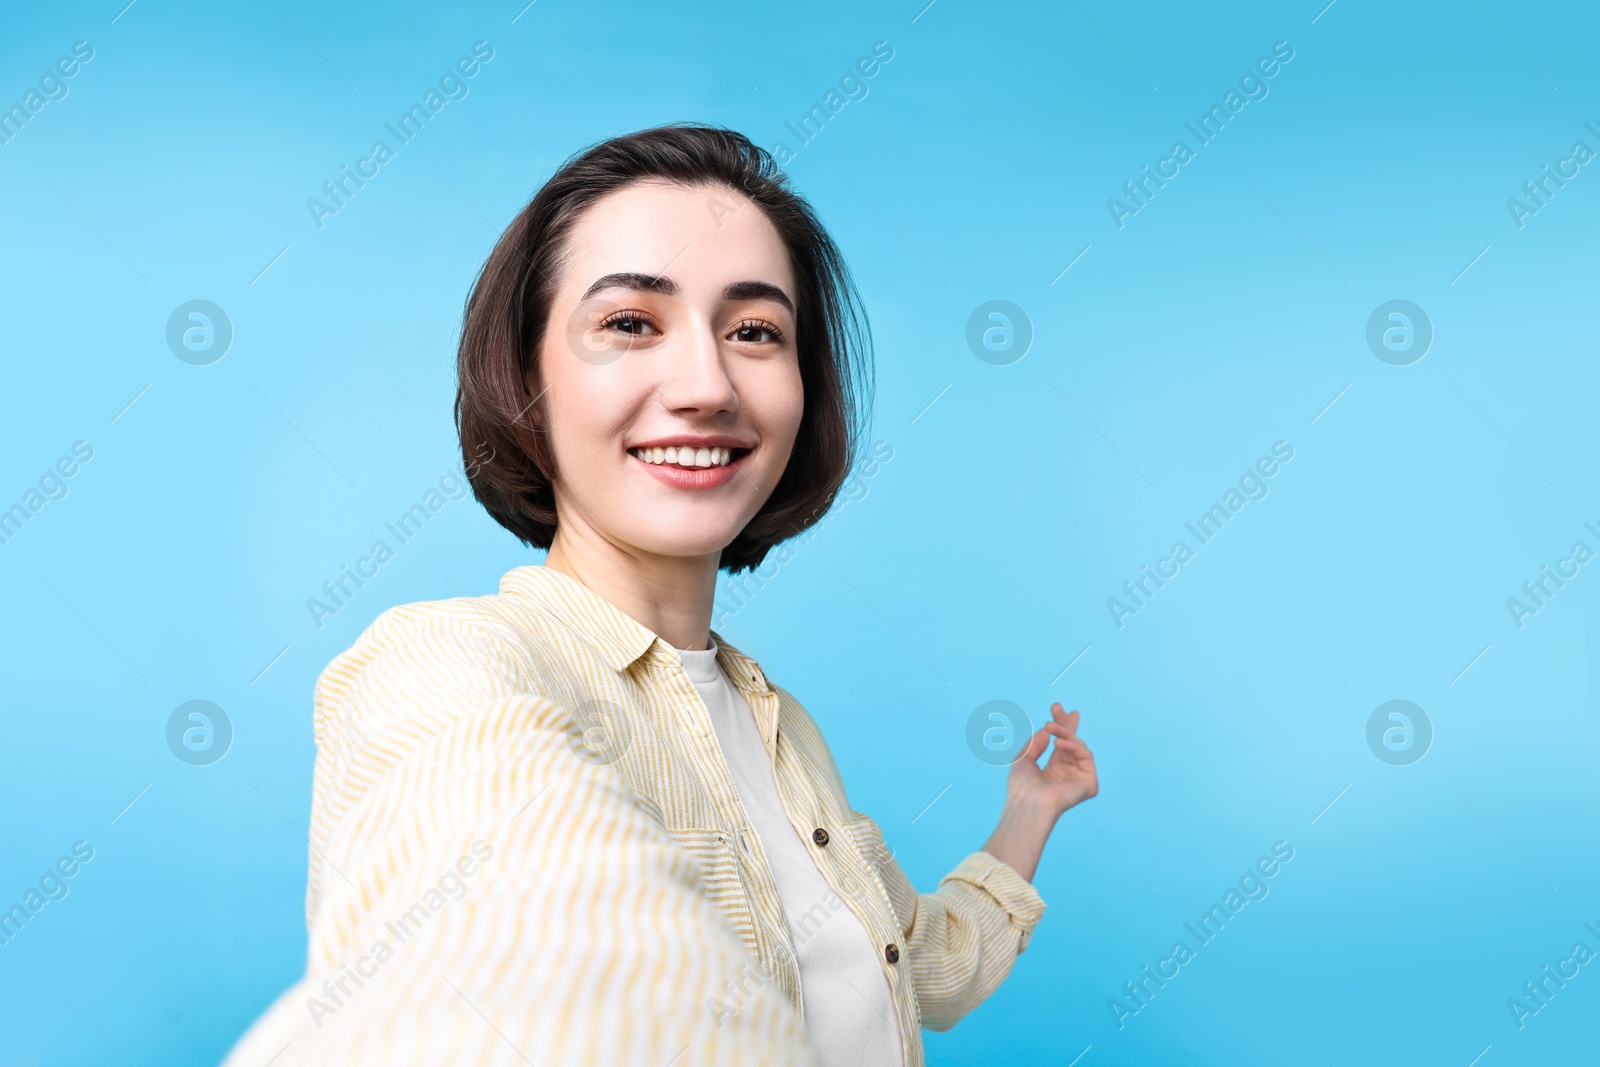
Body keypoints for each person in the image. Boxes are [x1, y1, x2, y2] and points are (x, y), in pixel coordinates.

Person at [223, 123, 1098, 1067]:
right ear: (526, 377)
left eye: (755, 331)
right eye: (631, 323)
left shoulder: (785, 729)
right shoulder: (445, 664)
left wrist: (1029, 812)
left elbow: (917, 967)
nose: (706, 385)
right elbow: (485, 942)